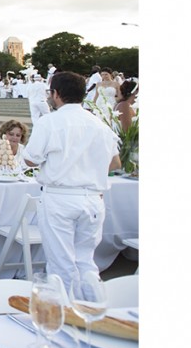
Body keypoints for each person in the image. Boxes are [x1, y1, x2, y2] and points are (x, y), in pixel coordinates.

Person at [24, 71, 120, 295]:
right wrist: (88, 168)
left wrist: (68, 167)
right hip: (92, 198)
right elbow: (115, 162)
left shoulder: (50, 122)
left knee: (61, 263)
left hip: (61, 197)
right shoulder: (99, 125)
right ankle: (92, 309)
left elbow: (30, 158)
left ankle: (67, 317)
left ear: (56, 94)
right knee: (86, 262)